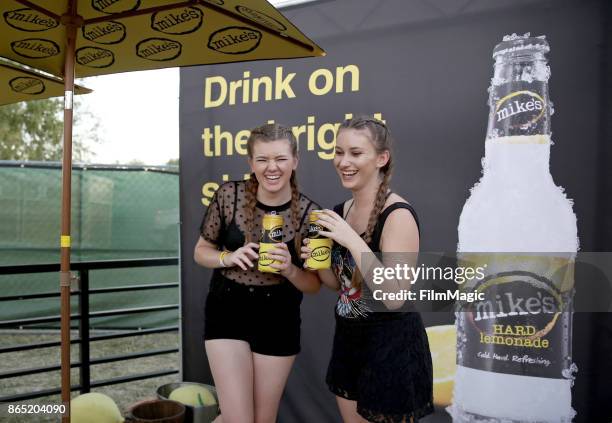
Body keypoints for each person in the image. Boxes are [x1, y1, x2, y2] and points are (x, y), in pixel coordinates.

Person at [302, 116, 434, 422]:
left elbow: (394, 296)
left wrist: (350, 239)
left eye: (355, 153)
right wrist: (318, 260)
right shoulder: (339, 212)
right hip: (349, 342)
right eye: (338, 152)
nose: (343, 161)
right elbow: (339, 284)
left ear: (381, 158)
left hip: (392, 348)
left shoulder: (397, 214)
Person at [194, 123, 321, 423]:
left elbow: (314, 285)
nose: (271, 167)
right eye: (262, 159)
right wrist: (229, 257)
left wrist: (289, 269)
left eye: (280, 158)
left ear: (295, 160)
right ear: (251, 163)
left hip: (279, 317)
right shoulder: (229, 195)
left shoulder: (310, 214)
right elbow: (201, 251)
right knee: (239, 418)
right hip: (228, 309)